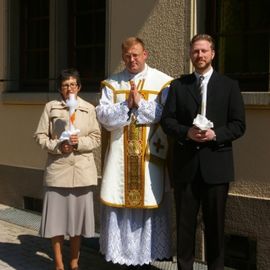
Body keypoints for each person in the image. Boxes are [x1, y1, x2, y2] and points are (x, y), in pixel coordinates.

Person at [161, 34, 246, 270]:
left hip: (217, 167)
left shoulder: (229, 86)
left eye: (204, 51)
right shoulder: (179, 86)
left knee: (216, 228)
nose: (199, 55)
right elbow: (167, 121)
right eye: (195, 51)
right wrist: (186, 132)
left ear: (213, 54)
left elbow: (239, 125)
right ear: (190, 54)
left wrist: (215, 134)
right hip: (186, 167)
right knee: (185, 227)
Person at [96, 37, 173, 268]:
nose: (132, 59)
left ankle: (145, 258)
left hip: (149, 158)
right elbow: (103, 116)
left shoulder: (162, 82)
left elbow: (167, 115)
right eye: (128, 56)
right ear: (123, 57)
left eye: (136, 55)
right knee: (120, 204)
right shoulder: (112, 83)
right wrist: (126, 105)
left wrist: (140, 102)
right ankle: (121, 259)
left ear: (145, 54)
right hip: (120, 157)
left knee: (149, 203)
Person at [34, 68, 101, 270]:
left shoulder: (88, 108)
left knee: (76, 223)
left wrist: (78, 142)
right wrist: (57, 146)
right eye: (65, 85)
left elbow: (96, 138)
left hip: (81, 172)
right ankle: (59, 263)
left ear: (79, 87)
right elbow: (39, 136)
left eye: (73, 84)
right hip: (58, 171)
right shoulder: (51, 108)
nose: (69, 88)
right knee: (56, 222)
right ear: (60, 88)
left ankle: (74, 261)